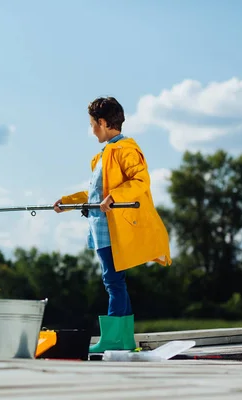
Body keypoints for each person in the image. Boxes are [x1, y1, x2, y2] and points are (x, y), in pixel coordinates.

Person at [54, 96, 172, 354]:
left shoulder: (125, 149)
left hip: (115, 231)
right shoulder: (102, 155)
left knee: (113, 281)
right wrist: (67, 202)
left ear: (104, 123)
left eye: (93, 124)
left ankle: (113, 339)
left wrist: (116, 196)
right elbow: (95, 195)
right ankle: (123, 340)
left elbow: (140, 181)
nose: (92, 129)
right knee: (115, 281)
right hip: (100, 231)